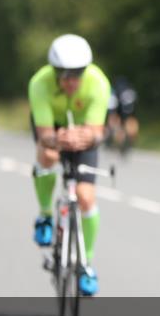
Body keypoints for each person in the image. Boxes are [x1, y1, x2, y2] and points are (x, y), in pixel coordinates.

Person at [27, 34, 111, 296]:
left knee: (86, 197)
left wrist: (88, 136)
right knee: (49, 156)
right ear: (54, 72)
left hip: (84, 133)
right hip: (52, 130)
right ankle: (45, 215)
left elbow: (98, 132)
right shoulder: (39, 83)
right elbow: (44, 134)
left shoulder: (98, 82)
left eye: (78, 73)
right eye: (65, 74)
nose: (72, 80)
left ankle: (86, 263)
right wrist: (58, 138)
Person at [106, 76, 139, 152]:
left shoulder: (116, 90)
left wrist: (112, 115)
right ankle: (129, 142)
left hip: (119, 109)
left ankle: (120, 141)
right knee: (130, 125)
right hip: (131, 111)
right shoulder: (131, 90)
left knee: (118, 126)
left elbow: (112, 104)